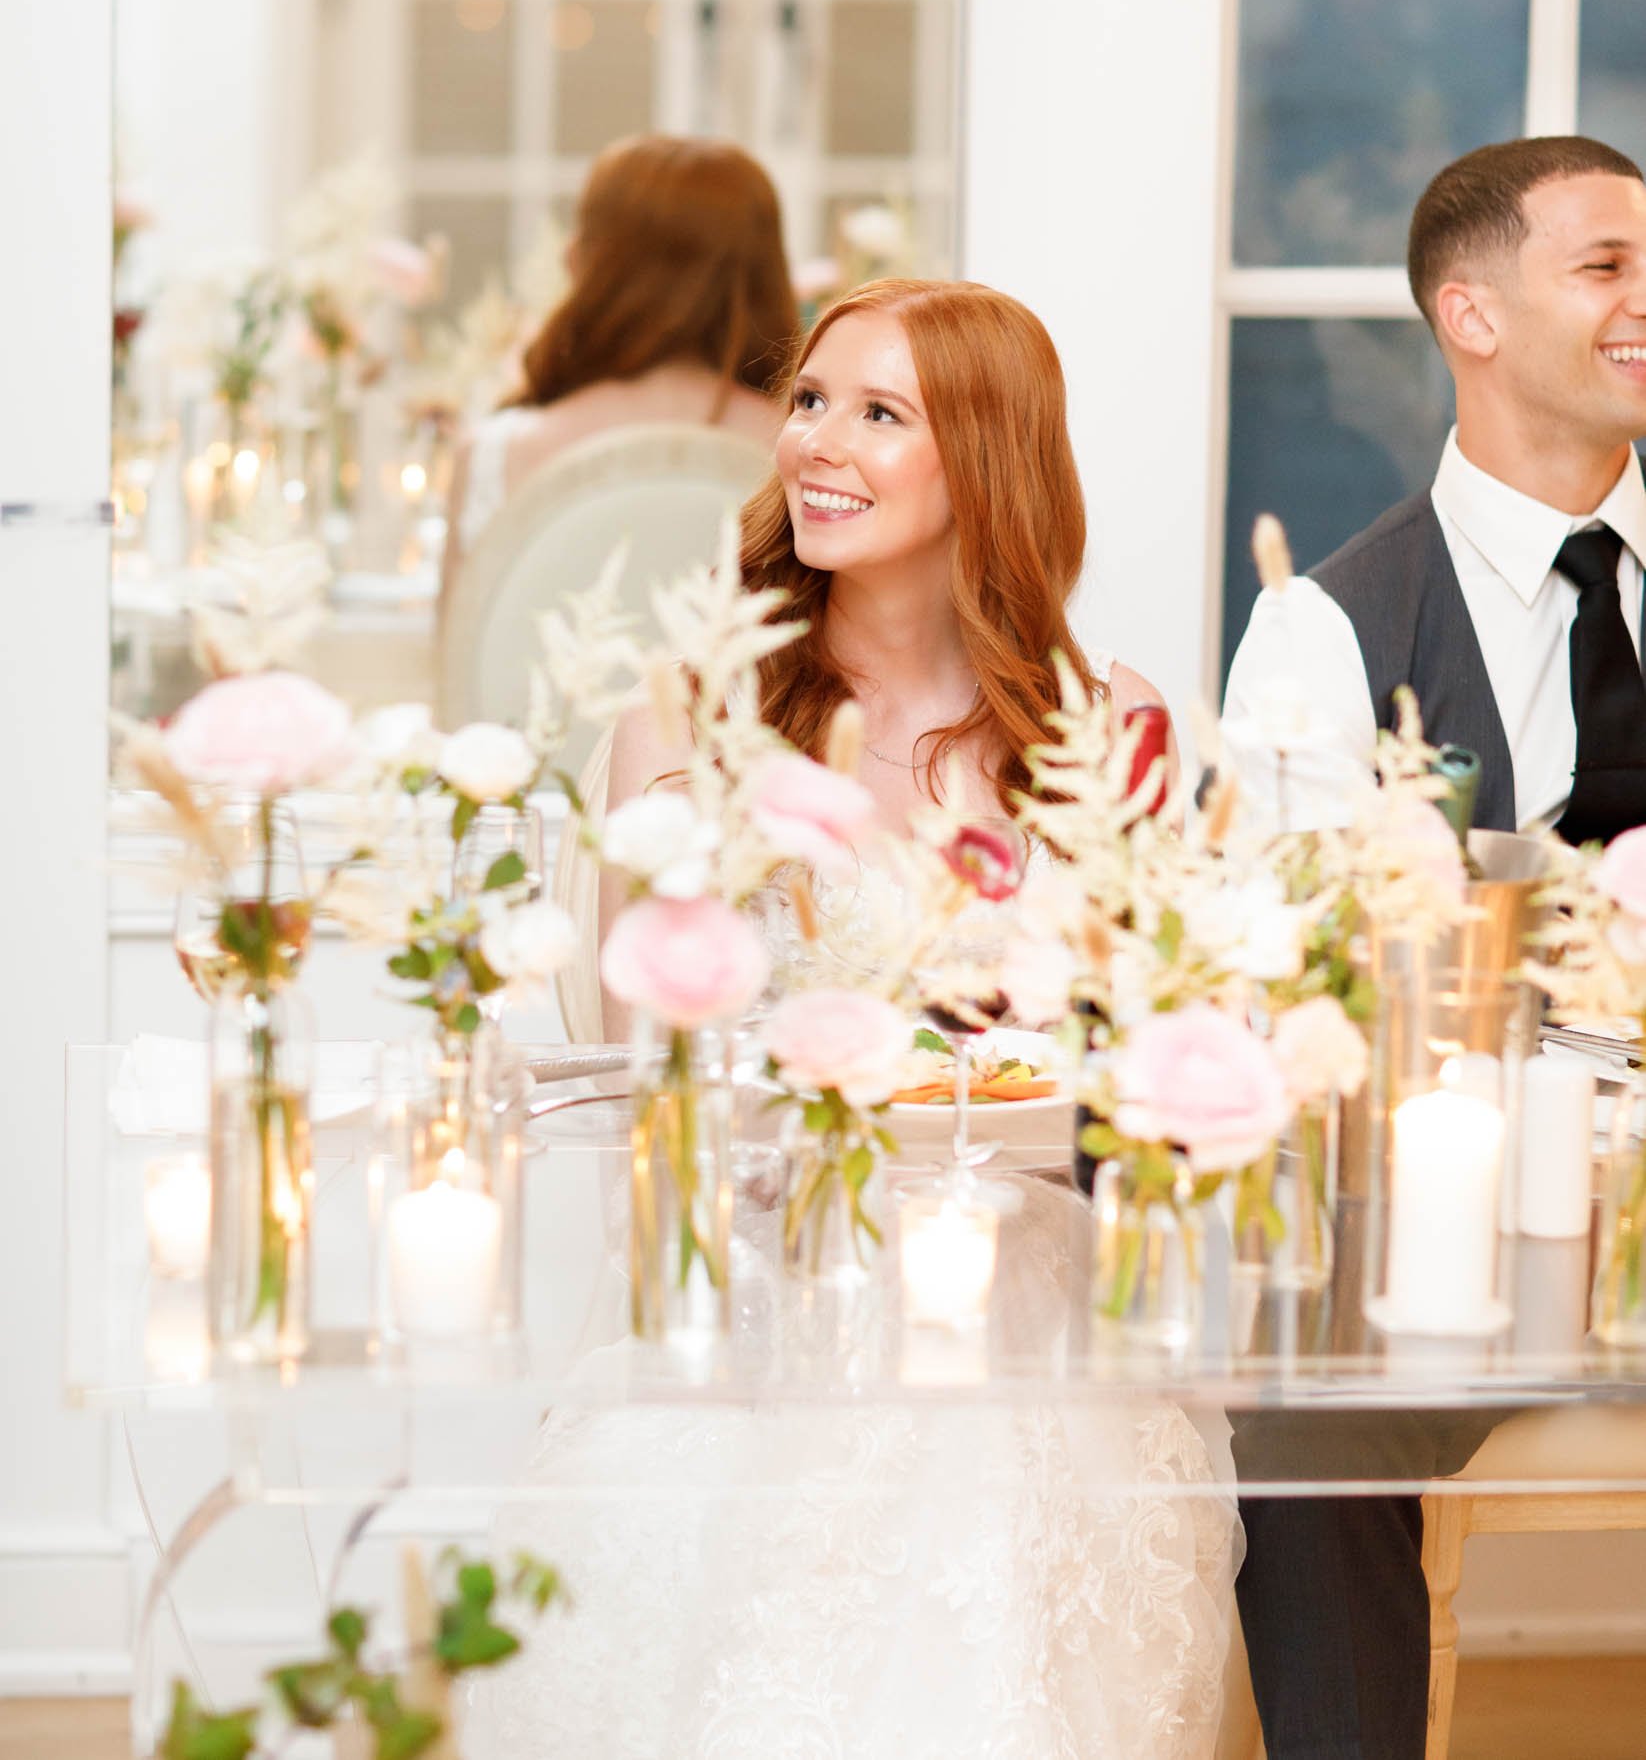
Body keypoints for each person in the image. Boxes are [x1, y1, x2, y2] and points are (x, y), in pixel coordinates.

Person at [468, 279, 1237, 1760]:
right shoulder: (690, 719)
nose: (816, 441)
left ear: (987, 462)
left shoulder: (1102, 729)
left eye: (880, 415)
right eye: (812, 401)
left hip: (1017, 1297)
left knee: (988, 1495)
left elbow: (1149, 1062)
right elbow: (656, 1076)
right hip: (758, 1291)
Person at [1223, 133, 1646, 1760]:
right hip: (1469, 1239)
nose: (1641, 303)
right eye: (1605, 267)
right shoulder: (1327, 632)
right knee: (1295, 1425)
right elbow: (1297, 995)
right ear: (1466, 314)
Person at [441, 136, 797, 601]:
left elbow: (460, 663)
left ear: (587, 261)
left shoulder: (496, 454)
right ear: (766, 276)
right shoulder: (806, 451)